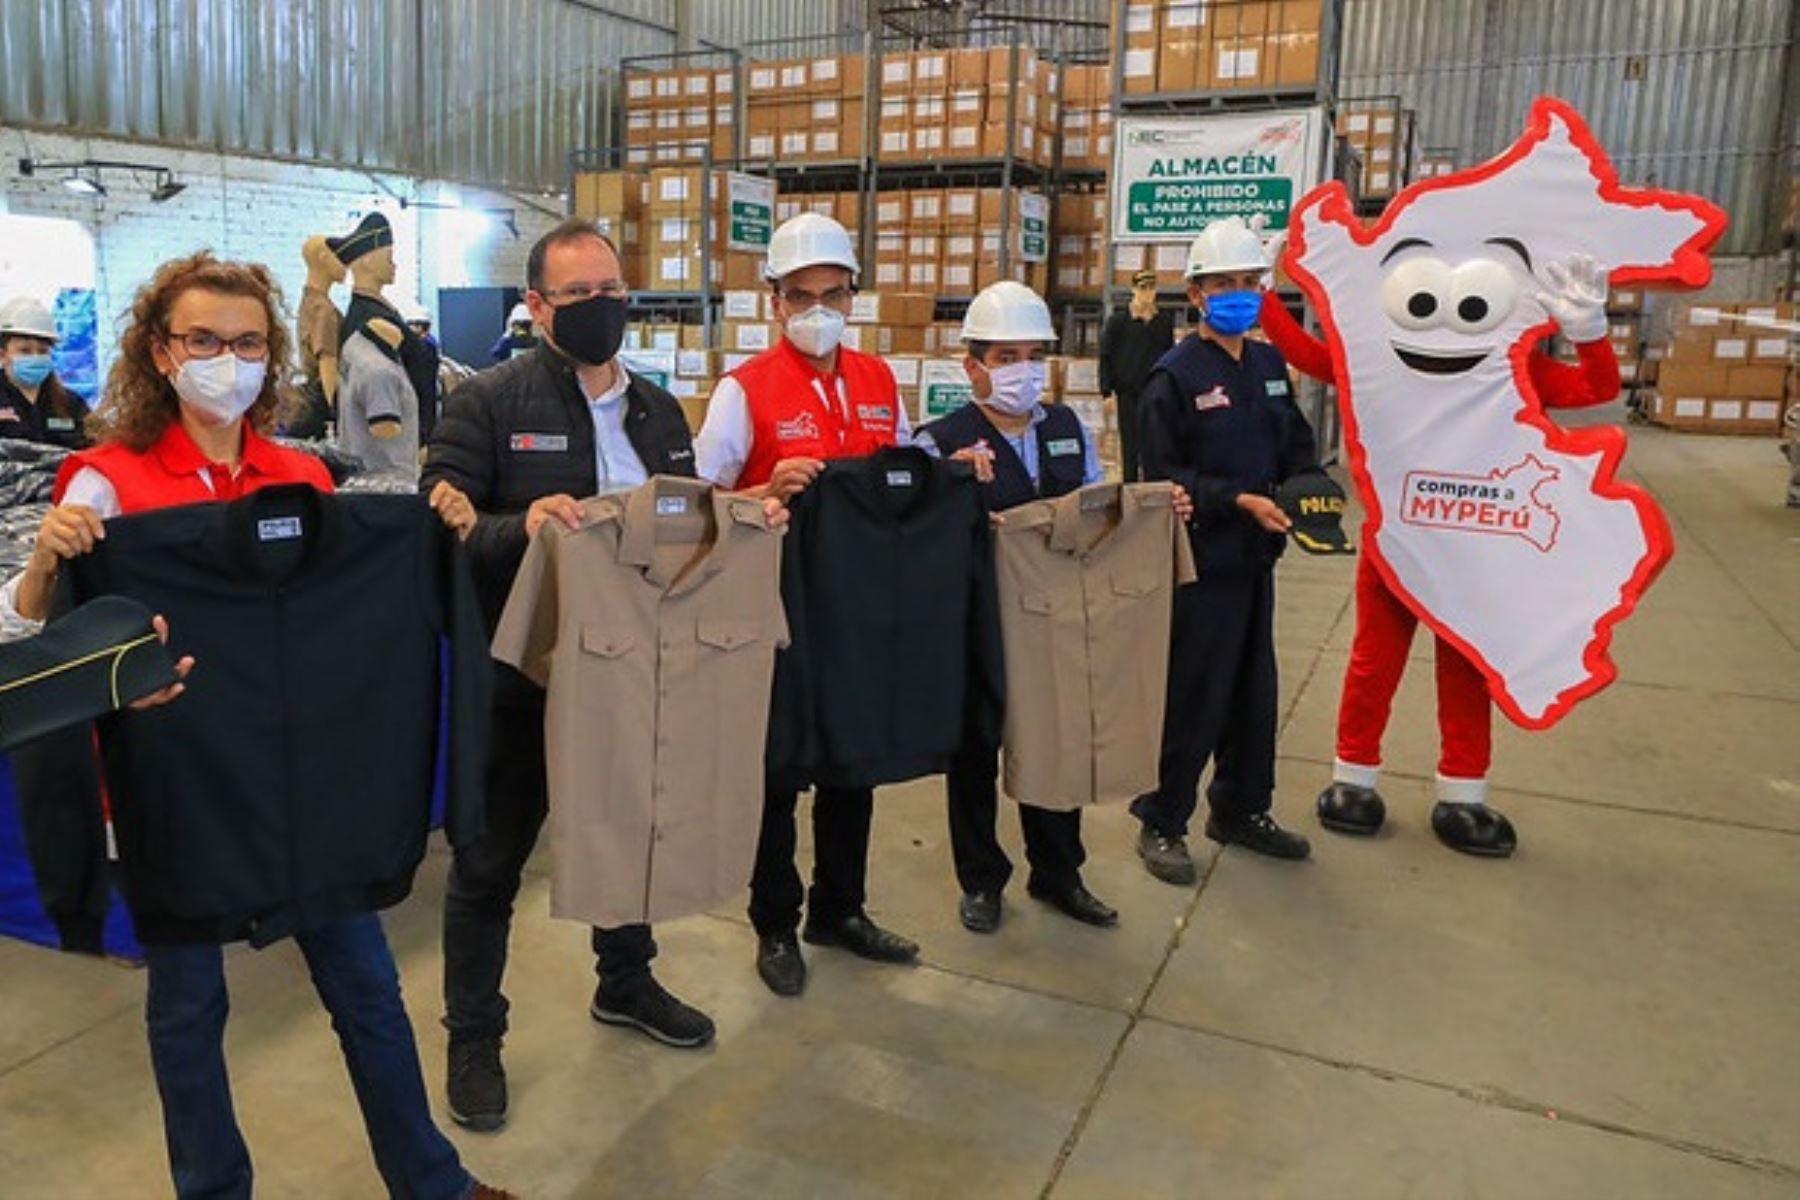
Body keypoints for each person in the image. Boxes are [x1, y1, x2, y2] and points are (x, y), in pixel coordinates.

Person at [0, 251, 507, 1200]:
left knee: (366, 988)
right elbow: (34, 645)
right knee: (189, 1007)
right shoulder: (104, 482)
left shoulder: (299, 477)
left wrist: (430, 517)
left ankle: (431, 1182)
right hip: (178, 789)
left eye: (245, 343)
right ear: (160, 351)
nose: (224, 360)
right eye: (203, 340)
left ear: (268, 355)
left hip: (302, 786)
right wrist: (44, 567)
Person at [424, 217, 744, 1133]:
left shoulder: (656, 410)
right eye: (579, 296)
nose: (603, 308)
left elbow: (684, 517)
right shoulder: (488, 402)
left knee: (628, 832)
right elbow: (442, 518)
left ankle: (626, 981)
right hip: (524, 672)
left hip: (637, 671)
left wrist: (747, 515)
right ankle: (473, 1034)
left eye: (613, 291)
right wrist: (519, 527)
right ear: (536, 306)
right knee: (490, 861)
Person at [1259, 248, 1621, 856]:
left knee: (1467, 669)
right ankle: (1354, 777)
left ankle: (1462, 790)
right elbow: (1312, 356)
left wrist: (1589, 333)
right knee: (1374, 661)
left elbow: (1594, 387)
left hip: (1469, 544)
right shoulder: (1382, 362)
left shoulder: (1514, 368)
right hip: (1398, 535)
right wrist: (1267, 294)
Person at [916, 280, 1192, 933]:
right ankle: (981, 880)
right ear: (972, 366)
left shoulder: (1067, 427)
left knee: (1062, 737)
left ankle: (1058, 871)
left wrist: (1157, 512)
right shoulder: (939, 440)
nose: (1022, 371)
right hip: (978, 623)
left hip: (1061, 619)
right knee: (976, 751)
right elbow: (919, 535)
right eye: (1005, 357)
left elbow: (1096, 511)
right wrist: (948, 481)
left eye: (1032, 355)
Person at [695, 212, 919, 998]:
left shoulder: (880, 382)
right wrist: (762, 490)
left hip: (859, 612)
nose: (819, 308)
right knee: (781, 773)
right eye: (802, 295)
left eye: (834, 293)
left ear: (853, 293)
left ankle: (841, 909)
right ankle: (776, 923)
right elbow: (698, 504)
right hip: (775, 614)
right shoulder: (742, 392)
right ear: (775, 300)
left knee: (854, 764)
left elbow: (905, 474)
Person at [1130, 217, 1321, 883]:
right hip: (1200, 559)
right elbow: (1158, 476)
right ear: (1197, 294)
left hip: (1256, 558)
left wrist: (1309, 492)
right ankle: (1162, 817)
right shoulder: (1173, 377)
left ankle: (1240, 808)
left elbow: (1295, 442)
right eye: (1225, 283)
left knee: (1252, 691)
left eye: (1250, 282)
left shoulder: (1269, 364)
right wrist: (1235, 501)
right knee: (1195, 692)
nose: (1239, 293)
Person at [1099, 268, 1173, 482]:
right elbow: (1106, 355)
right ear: (1133, 290)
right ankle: (1130, 487)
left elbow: (1168, 356)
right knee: (1130, 444)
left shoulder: (1163, 322)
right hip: (1128, 391)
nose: (1147, 294)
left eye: (1151, 289)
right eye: (1142, 289)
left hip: (1154, 391)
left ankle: (1152, 485)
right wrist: (1106, 391)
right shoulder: (1119, 322)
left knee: (1154, 441)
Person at [0, 296, 90, 448]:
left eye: (42, 351)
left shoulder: (71, 404)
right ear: (3, 355)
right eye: (24, 351)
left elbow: (96, 447)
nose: (35, 357)